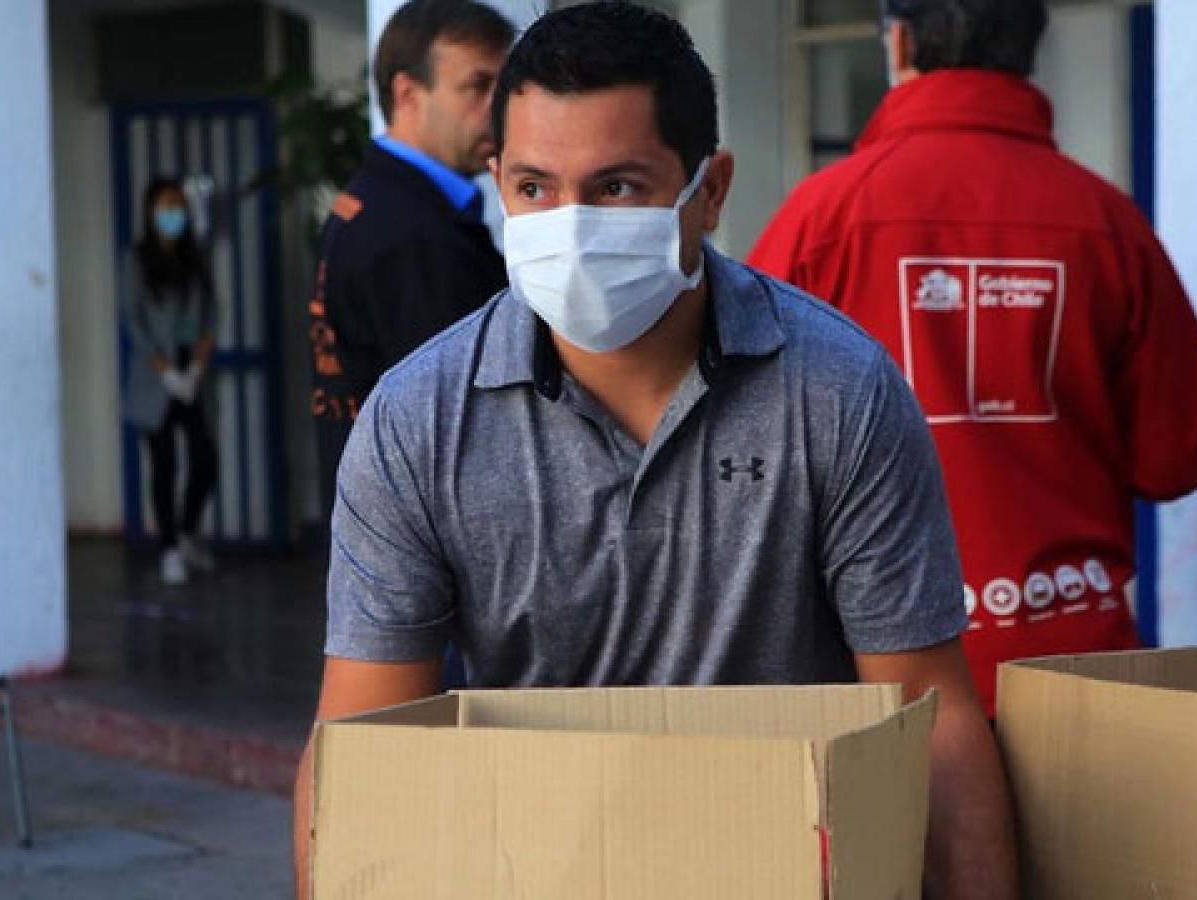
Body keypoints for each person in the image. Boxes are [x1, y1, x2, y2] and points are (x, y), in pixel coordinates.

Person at [293, 5, 1018, 898]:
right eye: (533, 187)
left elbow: (929, 715)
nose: (569, 227)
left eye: (617, 187)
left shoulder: (838, 393)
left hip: (788, 864)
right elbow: (360, 749)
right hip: (537, 869)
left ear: (709, 192)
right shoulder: (418, 422)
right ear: (497, 181)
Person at [749, 0, 1197, 713]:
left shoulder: (822, 216)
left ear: (898, 43)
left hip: (880, 675)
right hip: (1076, 658)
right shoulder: (1107, 219)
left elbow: (748, 448)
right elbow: (1172, 459)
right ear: (1030, 50)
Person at [308, 0, 513, 517]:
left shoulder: (370, 202)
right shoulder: (412, 235)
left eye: (504, 87)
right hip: (423, 530)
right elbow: (470, 422)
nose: (498, 109)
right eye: (477, 86)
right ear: (407, 94)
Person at [122, 178, 219, 586]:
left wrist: (195, 368)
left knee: (205, 459)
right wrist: (166, 372)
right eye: (165, 205)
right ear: (150, 211)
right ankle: (169, 548)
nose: (172, 213)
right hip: (154, 373)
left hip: (192, 368)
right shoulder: (136, 260)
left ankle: (188, 530)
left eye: (178, 205)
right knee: (164, 464)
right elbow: (134, 320)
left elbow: (211, 315)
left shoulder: (196, 257)